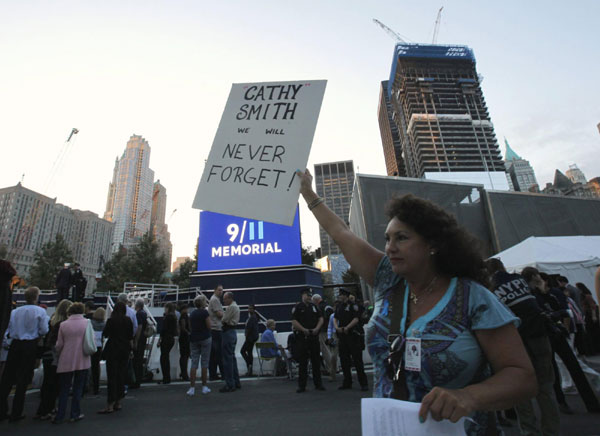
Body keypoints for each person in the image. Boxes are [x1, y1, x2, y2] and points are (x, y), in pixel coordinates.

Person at [296, 169, 536, 432]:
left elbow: (522, 377)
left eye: (402, 238)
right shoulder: (387, 277)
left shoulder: (473, 298)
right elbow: (342, 233)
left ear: (432, 244)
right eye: (387, 238)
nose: (390, 247)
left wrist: (468, 397)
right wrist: (308, 193)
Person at [486, 258, 559, 435]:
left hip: (517, 341)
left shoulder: (491, 290)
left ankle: (529, 430)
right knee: (546, 388)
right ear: (503, 266)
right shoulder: (519, 281)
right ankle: (551, 430)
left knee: (519, 389)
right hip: (539, 335)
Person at [522, 267, 600, 414]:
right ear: (534, 276)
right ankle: (584, 402)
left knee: (559, 369)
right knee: (568, 366)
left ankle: (563, 402)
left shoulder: (540, 294)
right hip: (550, 333)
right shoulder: (539, 294)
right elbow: (558, 311)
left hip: (549, 333)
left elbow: (559, 311)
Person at [0, 286, 49, 422]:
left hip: (15, 343)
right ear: (36, 297)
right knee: (23, 379)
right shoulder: (40, 311)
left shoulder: (15, 311)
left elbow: (8, 328)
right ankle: (17, 411)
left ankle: (2, 409)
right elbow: (44, 329)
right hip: (30, 344)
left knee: (7, 378)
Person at [54, 302, 91, 423]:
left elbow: (59, 344)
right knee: (78, 388)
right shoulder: (87, 323)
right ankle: (75, 413)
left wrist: (59, 353)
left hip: (66, 358)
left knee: (64, 388)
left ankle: (60, 414)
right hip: (82, 357)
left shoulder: (63, 325)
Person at [36, 299, 72, 420]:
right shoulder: (64, 324)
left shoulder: (52, 321)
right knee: (55, 384)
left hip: (48, 355)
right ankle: (49, 409)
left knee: (47, 382)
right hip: (57, 356)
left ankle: (42, 409)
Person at [99, 301, 133, 414]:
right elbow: (130, 335)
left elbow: (106, 334)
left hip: (113, 349)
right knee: (121, 375)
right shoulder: (128, 320)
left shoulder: (111, 320)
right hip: (124, 349)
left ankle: (110, 403)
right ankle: (118, 401)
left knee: (112, 376)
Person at [291, 288, 325, 393]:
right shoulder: (298, 307)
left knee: (316, 361)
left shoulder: (314, 307)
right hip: (303, 337)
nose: (309, 297)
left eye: (310, 295)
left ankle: (318, 384)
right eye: (307, 295)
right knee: (303, 362)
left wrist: (317, 328)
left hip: (313, 336)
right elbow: (294, 321)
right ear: (302, 296)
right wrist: (303, 329)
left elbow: (321, 318)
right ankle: (302, 385)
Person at [334, 288, 368, 391]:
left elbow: (356, 319)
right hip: (342, 336)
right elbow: (335, 318)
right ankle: (347, 382)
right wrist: (336, 327)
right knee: (344, 360)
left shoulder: (354, 306)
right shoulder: (339, 306)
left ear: (346, 295)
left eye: (341, 295)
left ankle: (363, 383)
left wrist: (347, 327)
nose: (340, 296)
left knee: (357, 360)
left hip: (353, 335)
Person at [187, 295, 212, 396]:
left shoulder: (192, 313)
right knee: (204, 363)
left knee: (194, 363)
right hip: (205, 337)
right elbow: (209, 326)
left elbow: (190, 327)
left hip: (194, 338)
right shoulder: (205, 313)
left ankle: (192, 387)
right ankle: (204, 386)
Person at [220, 292, 241, 393]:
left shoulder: (231, 307)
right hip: (233, 332)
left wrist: (223, 319)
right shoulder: (236, 307)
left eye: (225, 299)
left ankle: (230, 384)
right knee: (232, 357)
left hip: (228, 332)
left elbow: (224, 319)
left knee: (227, 359)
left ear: (229, 298)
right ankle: (236, 381)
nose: (224, 301)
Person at [158, 302, 178, 384]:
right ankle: (167, 377)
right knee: (166, 357)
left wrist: (160, 339)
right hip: (171, 338)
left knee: (164, 358)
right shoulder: (173, 317)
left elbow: (163, 329)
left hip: (166, 338)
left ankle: (166, 378)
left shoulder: (167, 317)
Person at [312, 293, 332, 376]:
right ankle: (336, 367)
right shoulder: (328, 306)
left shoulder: (319, 307)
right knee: (331, 349)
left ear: (316, 300)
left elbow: (321, 319)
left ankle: (330, 368)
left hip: (323, 330)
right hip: (331, 330)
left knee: (325, 349)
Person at [577, 282, 600, 355]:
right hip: (588, 315)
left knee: (593, 332)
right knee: (592, 332)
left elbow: (593, 306)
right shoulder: (583, 296)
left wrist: (594, 316)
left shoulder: (587, 296)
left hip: (590, 315)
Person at [208, 285, 225, 380]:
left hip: (215, 328)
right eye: (219, 290)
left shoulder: (214, 299)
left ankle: (213, 374)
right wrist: (226, 315)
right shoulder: (215, 300)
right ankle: (220, 373)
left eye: (222, 290)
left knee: (214, 353)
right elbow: (219, 314)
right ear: (214, 290)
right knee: (218, 352)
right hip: (216, 329)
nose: (221, 292)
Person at [131, 298, 148, 388]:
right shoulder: (144, 313)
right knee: (139, 359)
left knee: (136, 360)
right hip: (143, 339)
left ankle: (136, 380)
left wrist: (136, 340)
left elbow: (139, 327)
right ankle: (139, 379)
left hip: (139, 339)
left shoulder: (138, 314)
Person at [90, 307, 106, 396]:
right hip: (99, 346)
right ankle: (96, 386)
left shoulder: (90, 323)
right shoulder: (104, 324)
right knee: (96, 366)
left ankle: (88, 384)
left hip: (91, 345)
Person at [241, 303, 259, 376]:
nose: (249, 310)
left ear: (254, 310)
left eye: (250, 308)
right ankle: (249, 367)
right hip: (252, 338)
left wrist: (247, 335)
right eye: (248, 308)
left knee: (243, 351)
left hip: (250, 338)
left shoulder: (252, 318)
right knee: (249, 352)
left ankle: (249, 365)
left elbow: (249, 328)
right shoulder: (253, 317)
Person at [326, 302, 339, 382]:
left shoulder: (343, 315)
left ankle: (348, 374)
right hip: (335, 335)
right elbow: (330, 327)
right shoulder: (332, 316)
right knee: (333, 356)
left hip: (342, 333)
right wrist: (329, 337)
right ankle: (332, 374)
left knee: (346, 356)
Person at [179, 304, 191, 381]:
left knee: (183, 356)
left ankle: (183, 373)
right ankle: (184, 374)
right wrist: (189, 333)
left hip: (183, 338)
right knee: (185, 356)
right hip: (185, 338)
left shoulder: (182, 317)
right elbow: (184, 328)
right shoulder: (184, 317)